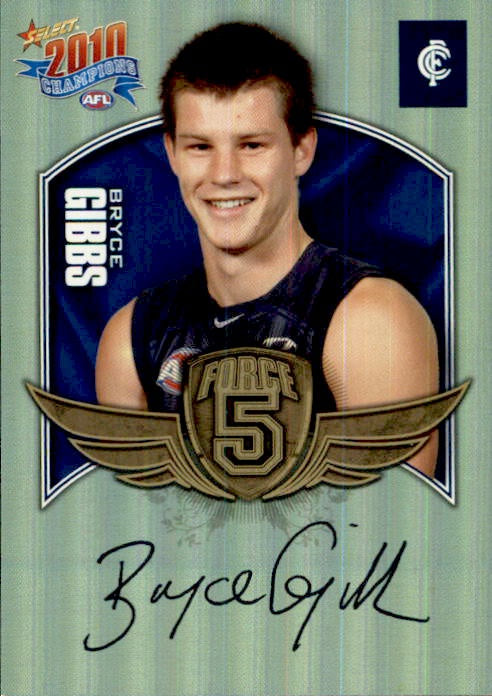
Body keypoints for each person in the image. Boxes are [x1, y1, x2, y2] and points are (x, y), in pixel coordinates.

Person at [96, 22, 439, 476]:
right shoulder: (132, 337)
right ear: (172, 153)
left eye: (252, 145)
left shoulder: (370, 320)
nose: (224, 174)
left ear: (301, 150)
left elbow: (392, 514)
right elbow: (123, 514)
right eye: (200, 146)